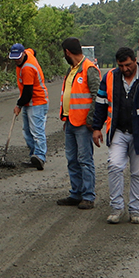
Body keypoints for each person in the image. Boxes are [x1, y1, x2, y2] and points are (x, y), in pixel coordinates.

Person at [88, 46, 139, 225]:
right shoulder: (109, 77)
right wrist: (96, 128)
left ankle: (135, 210)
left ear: (135, 60)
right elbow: (101, 104)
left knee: (138, 172)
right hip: (119, 131)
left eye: (127, 65)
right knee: (115, 166)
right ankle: (117, 208)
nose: (124, 69)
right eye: (121, 66)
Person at [56, 37, 98, 209]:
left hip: (83, 124)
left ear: (67, 52)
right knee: (72, 159)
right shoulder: (72, 70)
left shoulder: (89, 69)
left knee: (84, 160)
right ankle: (76, 193)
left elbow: (97, 96)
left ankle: (88, 196)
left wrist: (91, 120)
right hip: (70, 122)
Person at [10, 43, 47, 169]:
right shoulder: (28, 52)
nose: (17, 60)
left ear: (23, 54)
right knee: (27, 131)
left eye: (19, 57)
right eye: (14, 57)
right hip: (29, 102)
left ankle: (40, 157)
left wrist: (18, 105)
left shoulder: (27, 69)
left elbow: (27, 93)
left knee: (37, 131)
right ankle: (34, 156)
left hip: (37, 101)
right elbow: (34, 50)